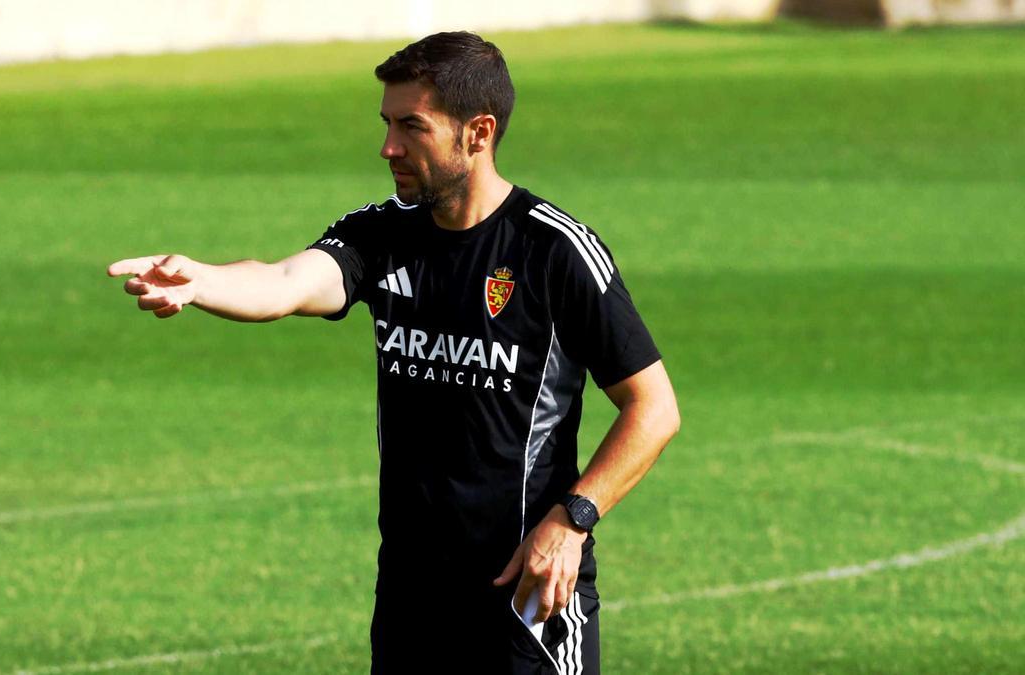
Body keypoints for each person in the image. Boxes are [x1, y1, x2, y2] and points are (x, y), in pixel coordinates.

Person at [107, 31, 679, 675]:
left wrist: (572, 520)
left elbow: (653, 409)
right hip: (411, 601)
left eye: (412, 127)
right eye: (386, 124)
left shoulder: (553, 251)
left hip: (528, 598)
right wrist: (203, 280)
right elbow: (288, 283)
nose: (388, 147)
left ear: (478, 132)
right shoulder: (381, 234)